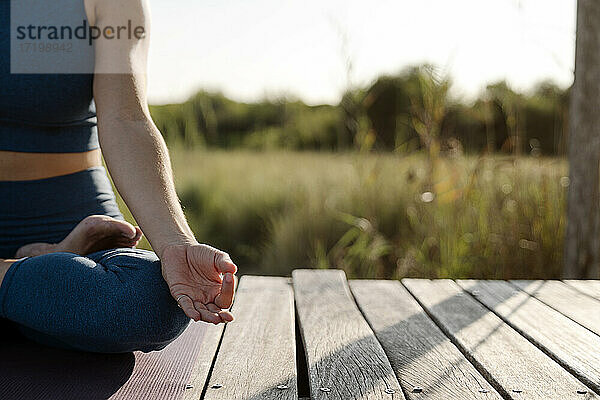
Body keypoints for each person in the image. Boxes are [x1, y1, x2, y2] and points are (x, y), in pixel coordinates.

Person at [0, 0, 237, 353]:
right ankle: (21, 277)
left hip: (68, 221)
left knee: (147, 301)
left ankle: (26, 276)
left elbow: (127, 119)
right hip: (54, 261)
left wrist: (176, 244)